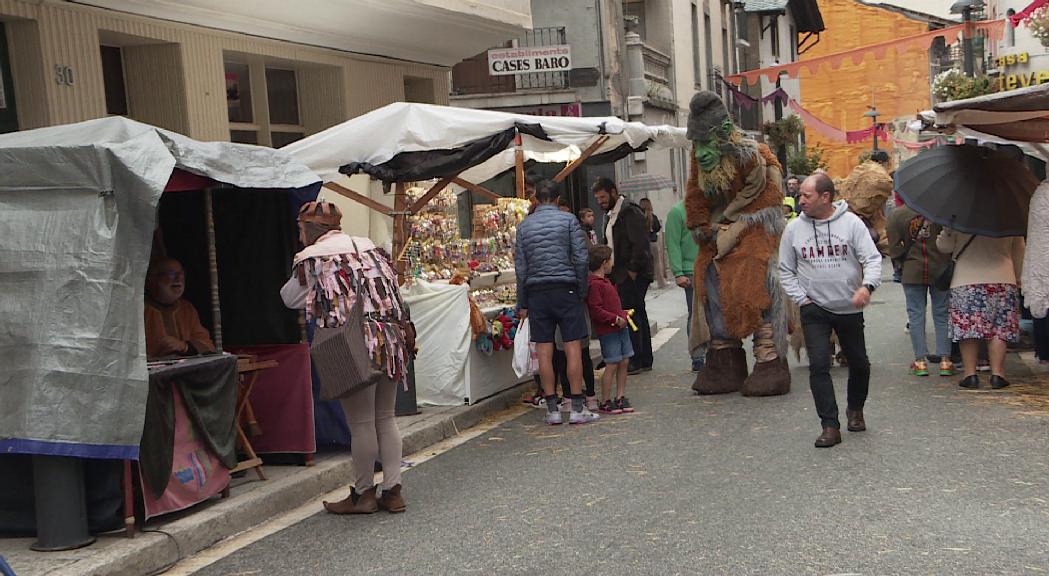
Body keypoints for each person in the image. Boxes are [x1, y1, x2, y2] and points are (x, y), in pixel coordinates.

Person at [281, 201, 411, 514]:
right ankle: (393, 491)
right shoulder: (369, 248)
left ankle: (363, 494)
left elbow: (290, 298)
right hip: (391, 340)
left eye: (301, 230)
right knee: (386, 418)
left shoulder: (313, 257)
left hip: (352, 344)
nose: (299, 238)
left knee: (362, 422)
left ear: (311, 230)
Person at [684, 90, 791, 397]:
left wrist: (735, 223)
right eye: (697, 143)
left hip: (756, 221)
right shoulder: (699, 160)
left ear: (724, 136)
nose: (701, 151)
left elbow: (770, 197)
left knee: (754, 268)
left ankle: (770, 357)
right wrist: (701, 226)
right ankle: (724, 356)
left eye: (707, 142)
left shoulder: (753, 157)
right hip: (720, 228)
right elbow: (695, 195)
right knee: (706, 271)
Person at [779, 174, 883, 448]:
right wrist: (801, 299)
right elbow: (785, 269)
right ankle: (829, 425)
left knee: (859, 363)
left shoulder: (851, 224)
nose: (800, 200)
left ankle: (855, 409)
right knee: (819, 365)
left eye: (806, 196)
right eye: (800, 195)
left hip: (849, 306)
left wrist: (867, 287)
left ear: (825, 197)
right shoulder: (793, 229)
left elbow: (872, 258)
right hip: (814, 308)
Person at [515, 179, 598, 425]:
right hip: (567, 288)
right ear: (558, 199)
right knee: (573, 347)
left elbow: (521, 267)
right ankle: (577, 408)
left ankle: (551, 409)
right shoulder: (569, 220)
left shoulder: (524, 227)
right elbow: (581, 259)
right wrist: (582, 289)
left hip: (537, 292)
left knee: (544, 351)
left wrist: (523, 303)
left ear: (537, 200)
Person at [937, 228, 1025, 389]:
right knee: (999, 329)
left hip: (966, 280)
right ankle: (998, 374)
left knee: (968, 329)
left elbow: (944, 247)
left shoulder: (961, 216)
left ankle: (970, 375)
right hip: (1003, 278)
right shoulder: (1008, 215)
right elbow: (1019, 249)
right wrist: (1018, 278)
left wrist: (947, 230)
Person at [592, 177, 654, 375]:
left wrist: (632, 271)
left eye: (602, 197)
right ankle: (640, 357)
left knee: (632, 315)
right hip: (619, 273)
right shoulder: (610, 215)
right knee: (636, 313)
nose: (600, 202)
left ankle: (637, 357)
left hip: (630, 273)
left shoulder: (629, 212)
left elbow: (640, 243)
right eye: (597, 198)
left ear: (613, 192)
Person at [887, 204, 953, 377]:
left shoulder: (897, 215)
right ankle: (945, 360)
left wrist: (901, 260)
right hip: (940, 269)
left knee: (916, 314)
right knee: (942, 313)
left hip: (912, 270)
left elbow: (893, 248)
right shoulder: (941, 211)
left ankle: (920, 361)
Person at [587, 245, 635, 414]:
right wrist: (614, 318)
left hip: (619, 325)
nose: (613, 264)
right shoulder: (595, 285)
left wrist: (622, 314)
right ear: (604, 263)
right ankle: (606, 399)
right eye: (611, 260)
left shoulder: (605, 282)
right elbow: (596, 309)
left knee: (624, 361)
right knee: (612, 363)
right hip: (609, 329)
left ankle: (620, 396)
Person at [144, 258, 216, 359]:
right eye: (171, 274)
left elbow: (207, 345)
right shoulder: (140, 309)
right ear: (152, 278)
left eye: (181, 274)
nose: (178, 279)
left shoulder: (186, 309)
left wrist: (184, 346)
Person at [664, 199, 704, 372]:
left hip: (710, 266)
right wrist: (678, 272)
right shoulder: (677, 212)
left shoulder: (707, 208)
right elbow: (672, 243)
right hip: (690, 270)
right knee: (695, 315)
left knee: (713, 314)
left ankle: (715, 353)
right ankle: (698, 356)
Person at [639, 198, 667, 289]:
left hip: (643, 243)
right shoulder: (653, 217)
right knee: (657, 263)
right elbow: (658, 227)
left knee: (645, 264)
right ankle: (661, 282)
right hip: (653, 242)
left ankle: (647, 284)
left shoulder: (639, 216)